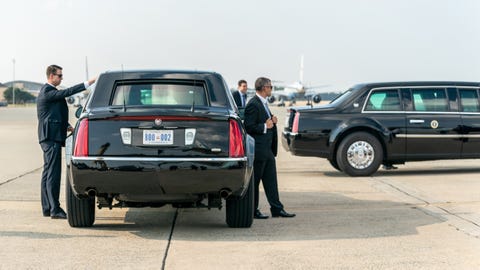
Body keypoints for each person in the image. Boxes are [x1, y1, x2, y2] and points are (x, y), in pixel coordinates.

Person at [37, 65, 96, 219]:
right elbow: (69, 92)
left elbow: (53, 113)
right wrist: (89, 82)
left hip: (50, 135)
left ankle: (47, 207)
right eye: (59, 75)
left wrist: (67, 126)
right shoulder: (48, 91)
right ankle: (55, 209)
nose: (61, 78)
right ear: (51, 75)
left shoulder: (49, 92)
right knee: (53, 174)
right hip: (51, 137)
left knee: (47, 172)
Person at [244, 77, 295, 219]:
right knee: (255, 182)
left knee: (271, 181)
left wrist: (272, 120)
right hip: (259, 150)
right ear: (263, 87)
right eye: (270, 86)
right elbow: (248, 126)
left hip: (268, 150)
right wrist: (265, 126)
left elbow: (265, 122)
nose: (271, 88)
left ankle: (277, 209)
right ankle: (253, 210)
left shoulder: (264, 103)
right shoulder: (253, 104)